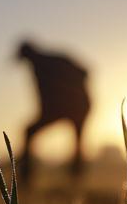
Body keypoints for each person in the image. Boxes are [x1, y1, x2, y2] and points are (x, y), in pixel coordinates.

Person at [14, 40, 91, 177]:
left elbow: (85, 73)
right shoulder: (37, 68)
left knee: (77, 141)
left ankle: (75, 175)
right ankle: (26, 172)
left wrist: (67, 92)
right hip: (61, 108)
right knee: (29, 131)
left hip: (77, 106)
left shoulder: (53, 60)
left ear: (29, 54)